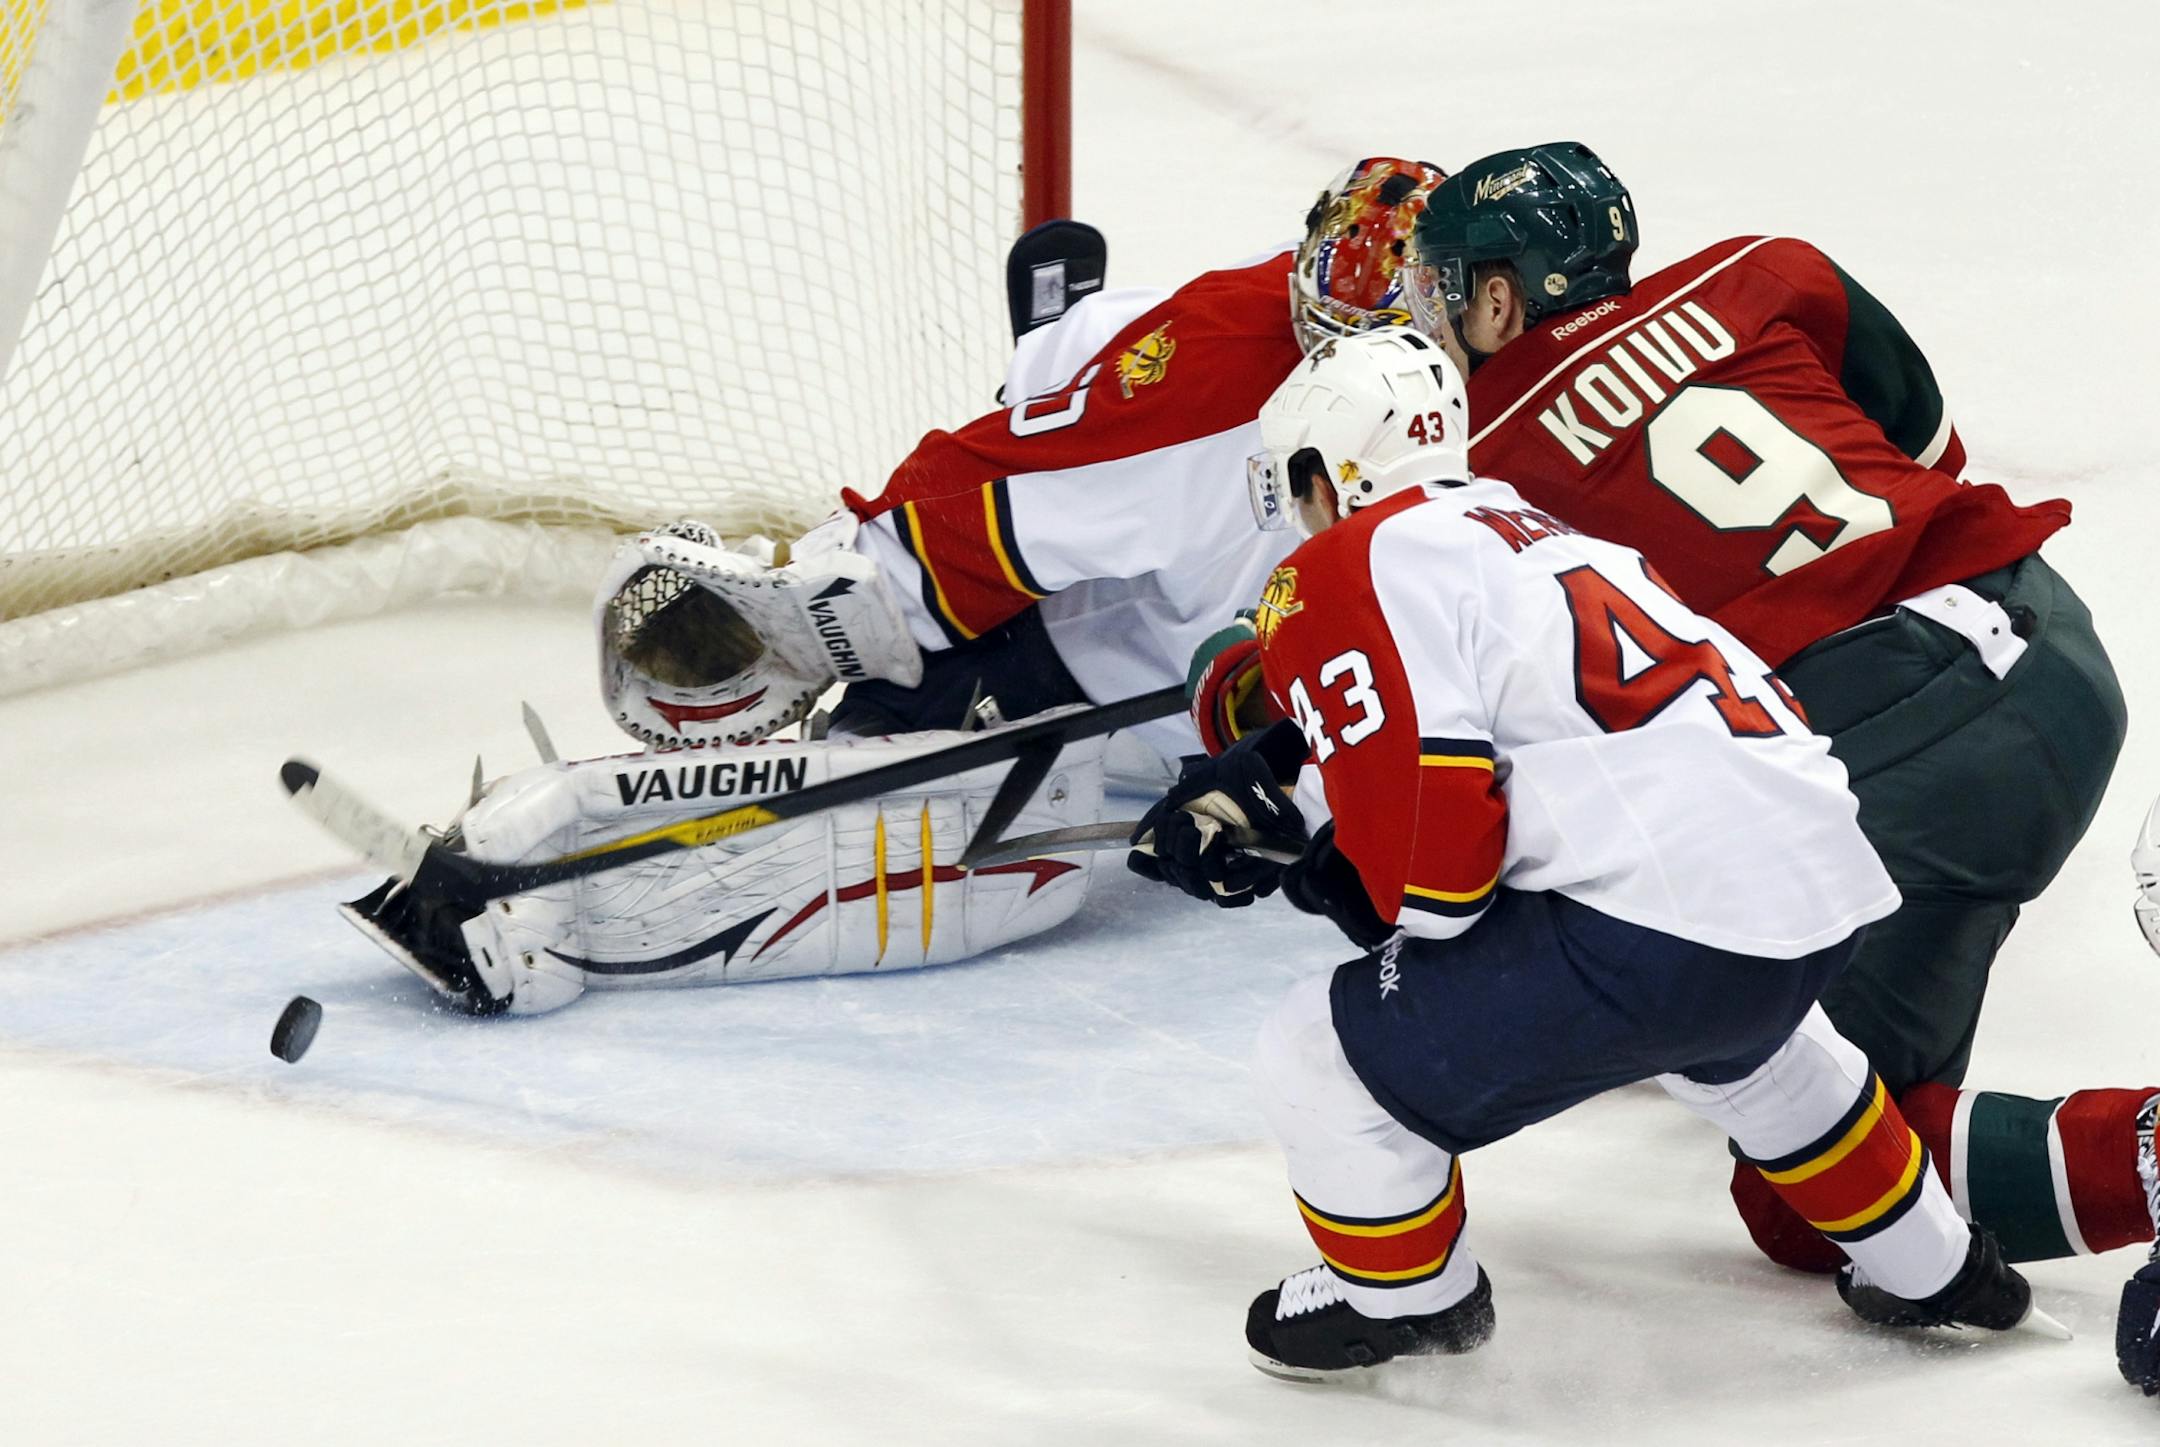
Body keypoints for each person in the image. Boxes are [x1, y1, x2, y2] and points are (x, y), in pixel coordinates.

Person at [1127, 326, 2042, 1379]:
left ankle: (1407, 1297)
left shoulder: (1350, 557)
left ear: (1324, 474)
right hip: (1810, 885)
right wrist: (1303, 807)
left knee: (1317, 1052)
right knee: (1758, 1049)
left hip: (1656, 926)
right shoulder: (1537, 533)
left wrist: (1305, 862)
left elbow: (1436, 890)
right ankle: (1937, 1266)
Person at [1377, 140, 2153, 1374]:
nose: (1429, 316)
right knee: (1853, 1124)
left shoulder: (1477, 480)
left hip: (1905, 753)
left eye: (1444, 287)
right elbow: (1927, 450)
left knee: (1819, 1188)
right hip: (2054, 654)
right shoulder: (1764, 272)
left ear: (1501, 298)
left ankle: (2154, 1162)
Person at [333, 160, 1450, 1014]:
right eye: (1320, 329)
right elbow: (1016, 490)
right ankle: (542, 904)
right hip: (1060, 667)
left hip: (1175, 687)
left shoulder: (1426, 416)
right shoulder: (1219, 381)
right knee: (868, 791)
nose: (1326, 362)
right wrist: (852, 599)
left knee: (1073, 386)